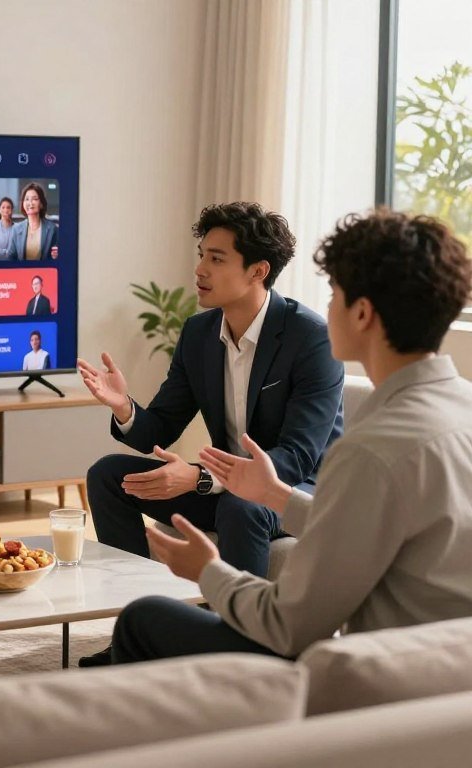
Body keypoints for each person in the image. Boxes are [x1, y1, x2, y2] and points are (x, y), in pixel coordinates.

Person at [112, 209, 472, 665]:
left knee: (141, 619)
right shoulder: (462, 408)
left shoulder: (370, 451)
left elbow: (289, 626)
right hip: (453, 669)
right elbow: (357, 522)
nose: (326, 307)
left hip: (389, 679)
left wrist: (208, 573)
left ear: (362, 313)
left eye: (334, 292)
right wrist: (276, 495)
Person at [76, 202, 344, 667]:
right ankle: (135, 631)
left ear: (258, 270)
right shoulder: (199, 333)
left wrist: (202, 477)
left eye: (216, 259)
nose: (200, 269)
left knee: (242, 505)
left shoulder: (310, 337)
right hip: (228, 485)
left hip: (297, 489)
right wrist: (124, 407)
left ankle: (238, 648)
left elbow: (297, 458)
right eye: (202, 255)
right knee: (109, 476)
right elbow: (160, 428)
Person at [7, 182, 59, 261]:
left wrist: (56, 257)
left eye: (35, 199)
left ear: (41, 204)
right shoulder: (16, 229)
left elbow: (57, 257)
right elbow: (11, 257)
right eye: (27, 199)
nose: (30, 203)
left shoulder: (52, 229)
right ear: (23, 204)